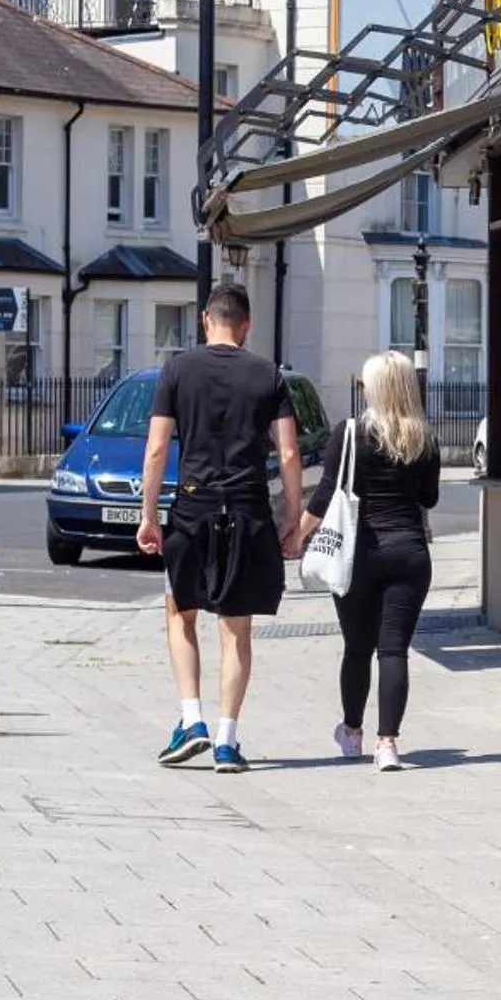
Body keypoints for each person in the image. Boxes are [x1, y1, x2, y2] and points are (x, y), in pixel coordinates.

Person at [133, 282, 301, 773]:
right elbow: (289, 453)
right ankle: (227, 740)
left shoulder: (178, 369)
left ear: (207, 320)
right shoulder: (268, 374)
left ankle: (192, 720)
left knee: (180, 614)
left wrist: (148, 515)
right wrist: (292, 518)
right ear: (245, 326)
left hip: (191, 509)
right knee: (236, 628)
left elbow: (157, 449)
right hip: (247, 510)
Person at [300, 351, 443, 772]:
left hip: (356, 555)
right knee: (394, 650)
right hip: (409, 554)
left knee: (357, 647)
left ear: (372, 389)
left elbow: (327, 493)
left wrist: (296, 534)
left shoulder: (348, 434)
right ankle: (388, 744)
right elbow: (428, 498)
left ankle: (352, 732)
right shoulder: (425, 438)